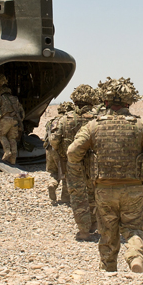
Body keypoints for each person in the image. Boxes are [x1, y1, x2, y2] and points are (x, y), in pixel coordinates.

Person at [68, 77, 143, 272]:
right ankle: (135, 256)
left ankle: (108, 268)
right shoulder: (140, 126)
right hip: (134, 188)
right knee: (133, 227)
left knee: (107, 230)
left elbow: (72, 153)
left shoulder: (93, 126)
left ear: (105, 102)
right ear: (128, 102)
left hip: (104, 189)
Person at [49, 84, 102, 241]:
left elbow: (54, 141)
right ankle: (93, 225)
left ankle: (83, 231)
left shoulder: (64, 120)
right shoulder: (98, 120)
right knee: (93, 195)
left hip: (72, 165)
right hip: (94, 166)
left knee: (78, 198)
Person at [44, 102, 74, 205]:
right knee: (66, 173)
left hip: (49, 150)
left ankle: (52, 184)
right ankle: (65, 198)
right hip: (59, 150)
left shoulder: (51, 121)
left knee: (54, 172)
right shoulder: (66, 121)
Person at [0, 83, 26, 164]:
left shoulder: (1, 99)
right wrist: (20, 120)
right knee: (12, 138)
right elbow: (22, 113)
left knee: (1, 135)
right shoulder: (15, 99)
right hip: (15, 120)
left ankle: (7, 151)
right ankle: (13, 159)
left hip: (5, 120)